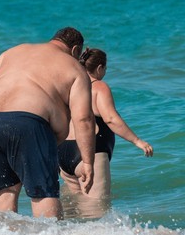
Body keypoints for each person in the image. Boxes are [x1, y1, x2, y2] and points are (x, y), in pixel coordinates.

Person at [0, 28, 95, 219]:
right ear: (75, 50)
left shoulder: (16, 50)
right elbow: (84, 119)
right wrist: (88, 161)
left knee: (4, 191)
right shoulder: (74, 67)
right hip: (28, 121)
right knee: (43, 192)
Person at [58, 47, 153, 218]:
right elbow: (110, 118)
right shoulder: (98, 87)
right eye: (105, 69)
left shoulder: (69, 87)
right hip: (89, 152)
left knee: (71, 209)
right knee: (96, 211)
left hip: (63, 152)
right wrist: (138, 141)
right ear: (100, 68)